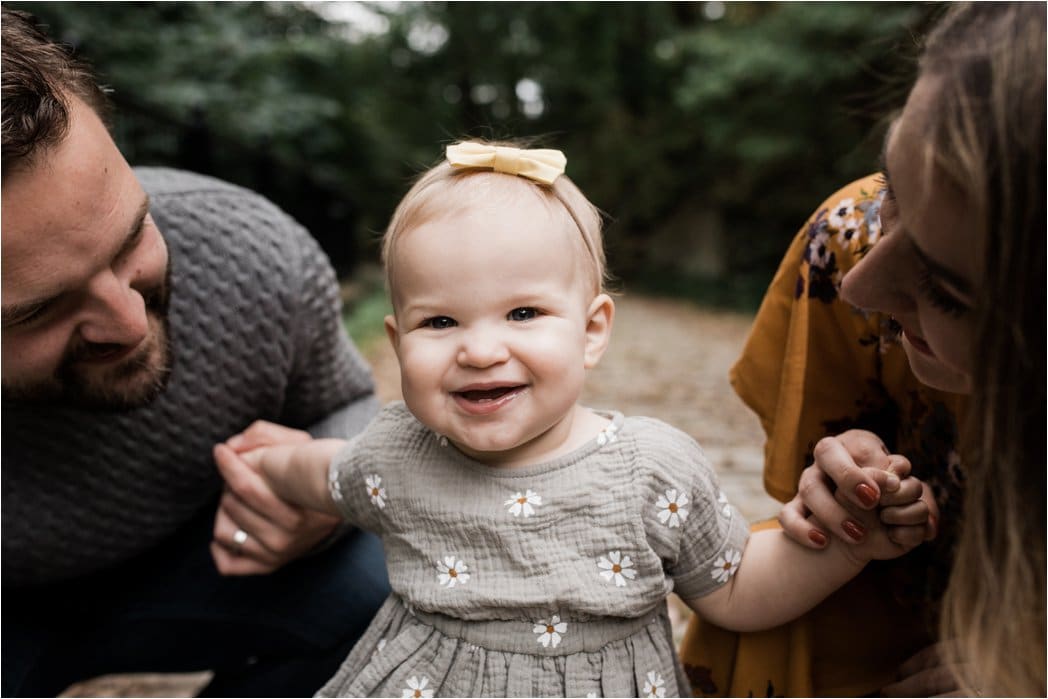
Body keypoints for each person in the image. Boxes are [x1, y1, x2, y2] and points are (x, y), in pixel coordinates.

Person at [215, 140, 934, 698]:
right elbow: (322, 471)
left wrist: (845, 545)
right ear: (400, 344)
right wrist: (262, 462)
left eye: (523, 312)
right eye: (440, 320)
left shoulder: (650, 465)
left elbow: (737, 589)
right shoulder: (398, 449)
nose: (480, 348)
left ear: (592, 331)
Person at [1, 9, 389, 696]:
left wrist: (327, 487)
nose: (127, 322)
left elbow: (346, 399)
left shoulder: (246, 247)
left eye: (130, 239)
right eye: (41, 308)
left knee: (389, 583)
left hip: (203, 561)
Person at [680, 3, 1045, 696]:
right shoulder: (846, 238)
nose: (861, 287)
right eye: (893, 192)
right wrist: (852, 494)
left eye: (948, 291)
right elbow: (807, 518)